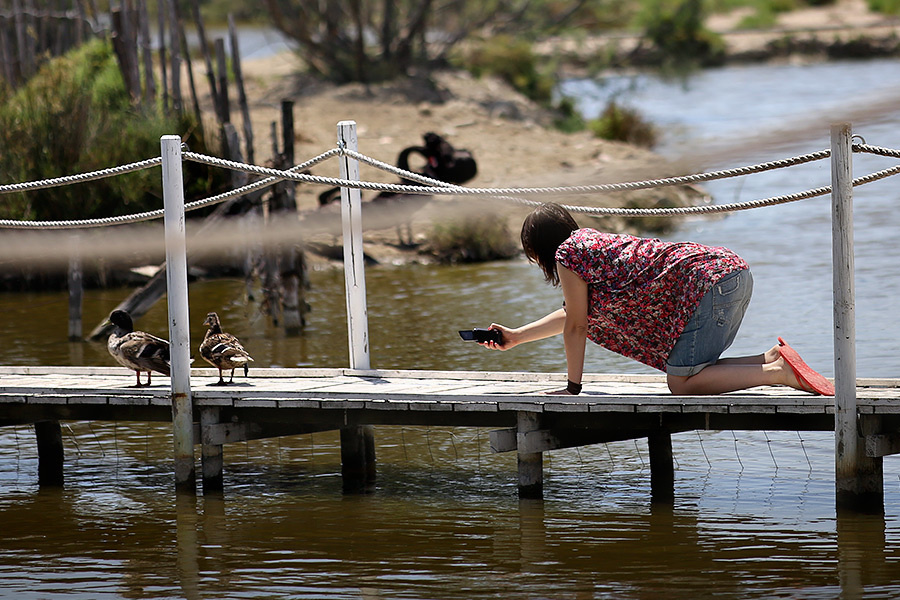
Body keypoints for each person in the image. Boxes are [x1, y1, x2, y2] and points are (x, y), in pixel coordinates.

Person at [481, 202, 834, 396]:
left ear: (542, 249)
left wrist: (573, 388)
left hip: (710, 285)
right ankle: (770, 358)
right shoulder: (590, 245)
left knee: (681, 384)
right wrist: (516, 336)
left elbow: (576, 326)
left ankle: (779, 373)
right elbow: (576, 315)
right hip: (731, 272)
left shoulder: (568, 254)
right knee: (691, 373)